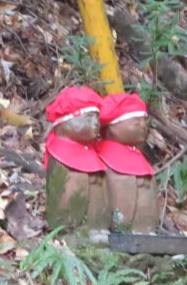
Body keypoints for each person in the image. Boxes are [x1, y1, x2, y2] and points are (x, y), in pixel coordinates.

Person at [43, 86, 112, 229]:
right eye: (88, 118)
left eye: (97, 119)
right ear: (64, 123)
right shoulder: (59, 155)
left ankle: (97, 227)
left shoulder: (94, 152)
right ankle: (70, 228)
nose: (95, 124)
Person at [97, 92, 159, 233]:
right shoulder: (102, 158)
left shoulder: (137, 155)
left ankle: (145, 228)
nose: (143, 126)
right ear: (112, 126)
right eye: (136, 122)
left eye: (144, 121)